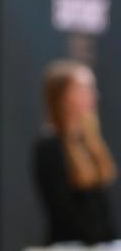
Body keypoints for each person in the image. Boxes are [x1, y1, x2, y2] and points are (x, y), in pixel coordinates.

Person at [34, 59, 117, 245]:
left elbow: (101, 206)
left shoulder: (88, 141)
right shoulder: (49, 146)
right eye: (84, 90)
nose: (93, 97)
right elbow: (63, 209)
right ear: (63, 96)